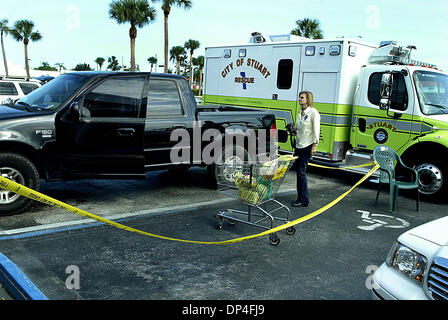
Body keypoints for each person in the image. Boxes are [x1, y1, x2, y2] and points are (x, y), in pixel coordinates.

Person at [291, 91, 320, 207]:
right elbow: (299, 129)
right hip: (299, 145)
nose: (299, 99)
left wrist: (315, 144)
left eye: (302, 98)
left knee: (301, 171)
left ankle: (304, 199)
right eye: (299, 97)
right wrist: (293, 129)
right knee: (299, 171)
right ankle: (300, 197)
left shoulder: (313, 113)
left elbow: (316, 129)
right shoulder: (300, 113)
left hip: (307, 145)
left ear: (308, 100)